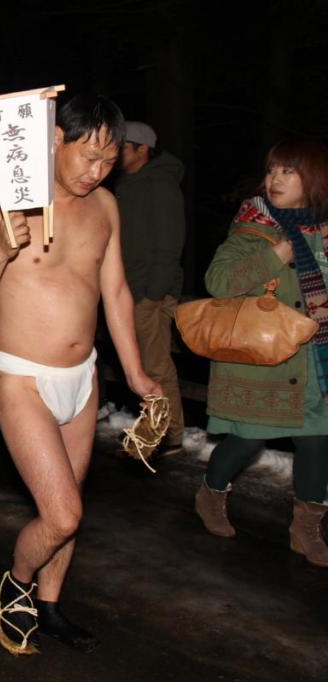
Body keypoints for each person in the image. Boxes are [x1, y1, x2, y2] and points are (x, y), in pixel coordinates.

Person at [0, 95, 161, 655]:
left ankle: (49, 604)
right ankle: (16, 585)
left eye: (108, 161)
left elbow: (116, 291)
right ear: (53, 139)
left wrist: (137, 373)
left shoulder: (106, 207)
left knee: (70, 508)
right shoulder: (2, 206)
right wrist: (1, 249)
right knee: (63, 512)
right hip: (22, 377)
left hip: (83, 375)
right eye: (87, 156)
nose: (96, 171)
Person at [194, 139, 328, 568]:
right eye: (272, 171)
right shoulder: (255, 228)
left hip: (315, 364)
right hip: (266, 364)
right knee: (247, 440)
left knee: (316, 441)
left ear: (315, 179)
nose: (275, 179)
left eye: (288, 171)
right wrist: (278, 254)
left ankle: (306, 529)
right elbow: (218, 280)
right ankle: (211, 492)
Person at [116, 121, 187, 454]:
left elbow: (170, 243)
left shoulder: (160, 184)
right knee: (141, 365)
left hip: (149, 291)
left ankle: (168, 435)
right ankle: (156, 430)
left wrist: (152, 293)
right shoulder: (127, 185)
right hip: (130, 289)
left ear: (142, 149)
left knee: (156, 365)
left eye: (122, 146)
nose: (114, 153)